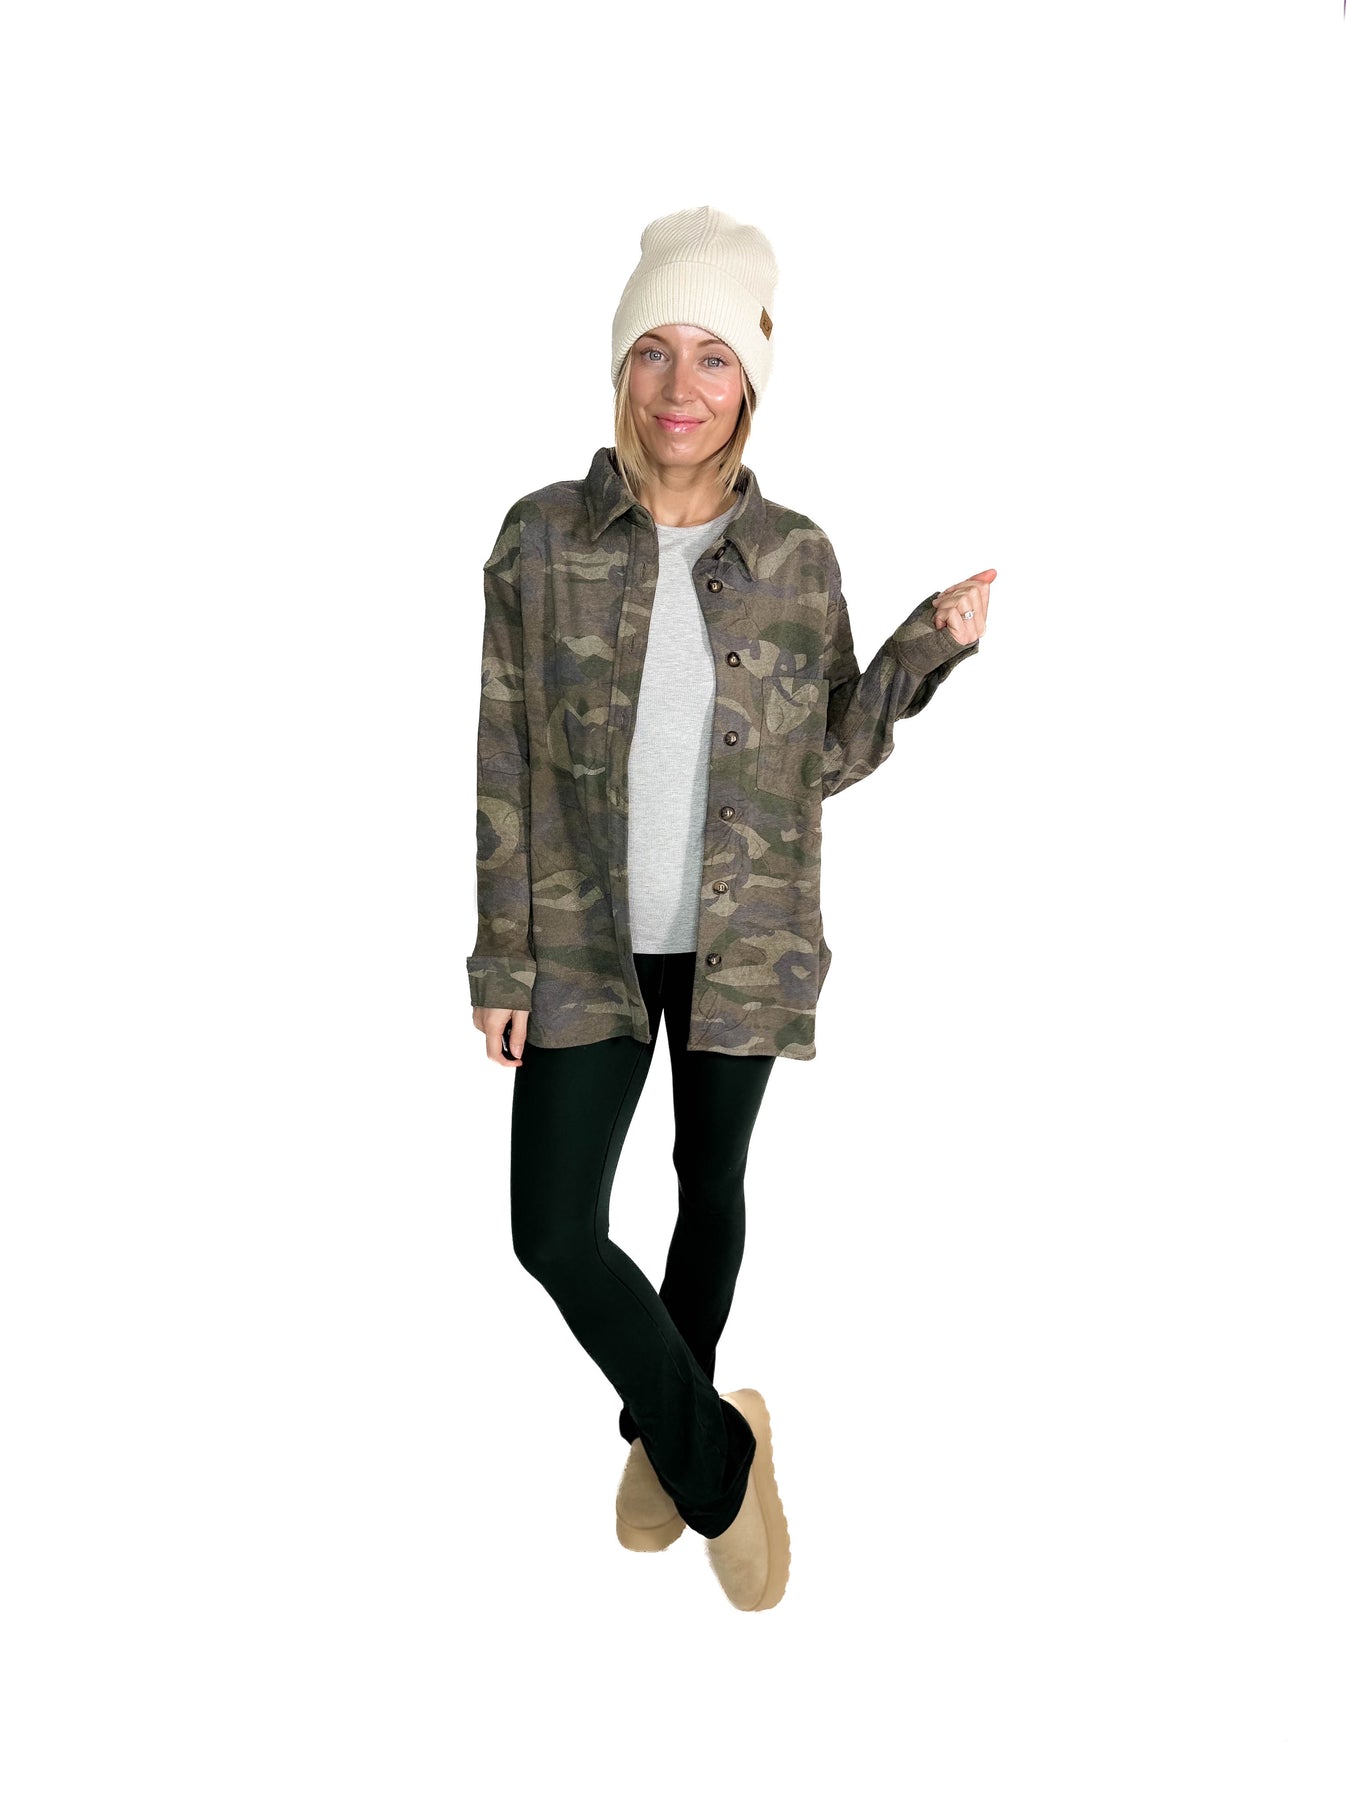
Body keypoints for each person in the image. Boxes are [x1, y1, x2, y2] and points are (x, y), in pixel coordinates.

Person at [467, 205, 993, 1611]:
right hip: (577, 939)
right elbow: (504, 754)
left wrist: (922, 652)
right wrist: (499, 956)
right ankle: (716, 1458)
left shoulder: (796, 557)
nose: (680, 387)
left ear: (750, 380)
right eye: (654, 350)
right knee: (552, 1233)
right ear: (620, 369)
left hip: (741, 939)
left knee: (710, 1187)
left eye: (712, 356)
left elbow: (822, 757)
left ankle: (662, 1439)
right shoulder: (538, 538)